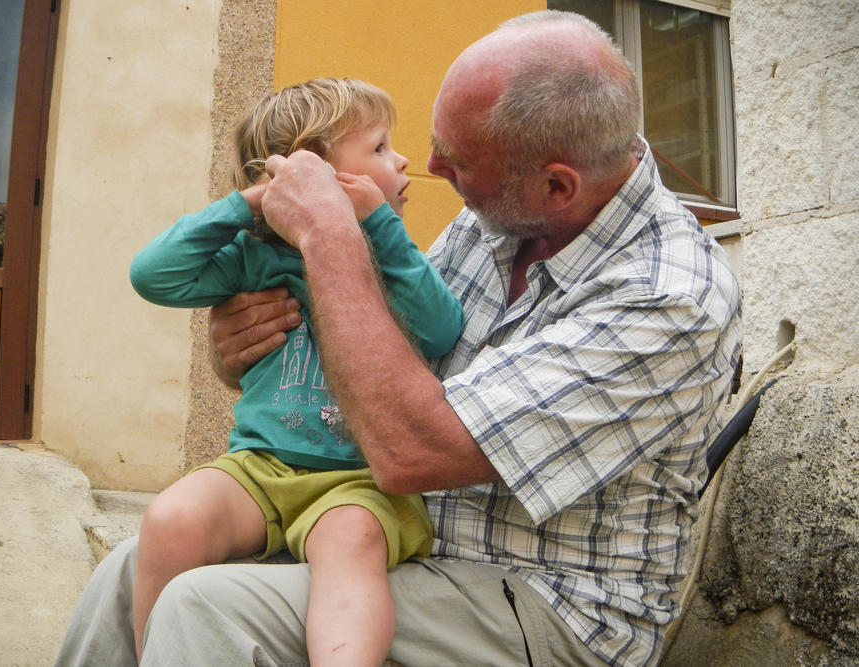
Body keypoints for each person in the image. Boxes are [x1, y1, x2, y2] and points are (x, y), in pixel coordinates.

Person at [55, 10, 741, 667]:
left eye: (459, 161)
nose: (434, 170)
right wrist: (251, 344)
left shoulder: (668, 295)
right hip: (408, 539)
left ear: (556, 184)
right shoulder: (499, 216)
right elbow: (375, 342)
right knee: (133, 565)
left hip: (544, 601)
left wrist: (329, 238)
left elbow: (411, 450)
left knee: (208, 603)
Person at [125, 77, 464, 664]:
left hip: (361, 480)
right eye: (380, 147)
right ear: (321, 174)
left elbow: (439, 329)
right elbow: (154, 276)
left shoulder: (393, 261)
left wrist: (377, 227)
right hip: (259, 469)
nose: (403, 158)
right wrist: (249, 203)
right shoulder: (254, 259)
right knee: (169, 519)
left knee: (351, 545)